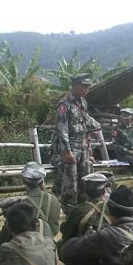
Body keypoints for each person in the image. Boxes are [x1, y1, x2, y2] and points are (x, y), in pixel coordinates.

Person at [58, 173, 111, 265]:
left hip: (85, 256)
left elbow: (67, 236)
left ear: (85, 191)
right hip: (109, 254)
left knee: (62, 245)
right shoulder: (113, 207)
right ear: (104, 191)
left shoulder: (78, 210)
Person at [54, 73, 100, 214]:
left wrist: (89, 150)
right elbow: (62, 129)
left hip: (83, 146)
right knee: (71, 180)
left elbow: (87, 127)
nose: (86, 89)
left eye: (87, 87)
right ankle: (69, 208)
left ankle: (83, 206)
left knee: (85, 176)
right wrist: (67, 150)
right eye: (83, 86)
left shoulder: (83, 103)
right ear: (74, 86)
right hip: (71, 146)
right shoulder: (64, 104)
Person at [20, 161, 61, 238]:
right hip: (48, 245)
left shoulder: (18, 203)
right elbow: (55, 230)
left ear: (23, 180)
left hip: (25, 246)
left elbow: (8, 234)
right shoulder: (53, 199)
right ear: (42, 181)